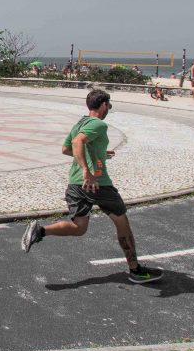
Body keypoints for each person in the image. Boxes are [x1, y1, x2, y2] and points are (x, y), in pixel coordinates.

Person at [21, 89, 163, 284]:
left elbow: (66, 149)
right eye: (109, 105)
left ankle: (40, 231)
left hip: (75, 184)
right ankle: (135, 270)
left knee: (79, 228)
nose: (109, 109)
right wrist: (87, 171)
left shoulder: (80, 123)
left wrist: (99, 155)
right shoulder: (98, 124)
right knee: (123, 224)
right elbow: (79, 142)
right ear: (104, 105)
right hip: (99, 184)